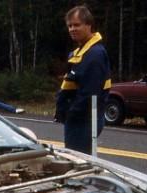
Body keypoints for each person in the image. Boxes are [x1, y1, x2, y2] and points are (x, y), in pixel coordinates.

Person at [55, 5, 111, 154]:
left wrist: (70, 114)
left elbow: (90, 94)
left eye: (77, 25)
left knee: (78, 163)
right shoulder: (79, 52)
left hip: (84, 120)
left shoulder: (94, 55)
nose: (72, 29)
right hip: (78, 119)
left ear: (89, 25)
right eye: (70, 26)